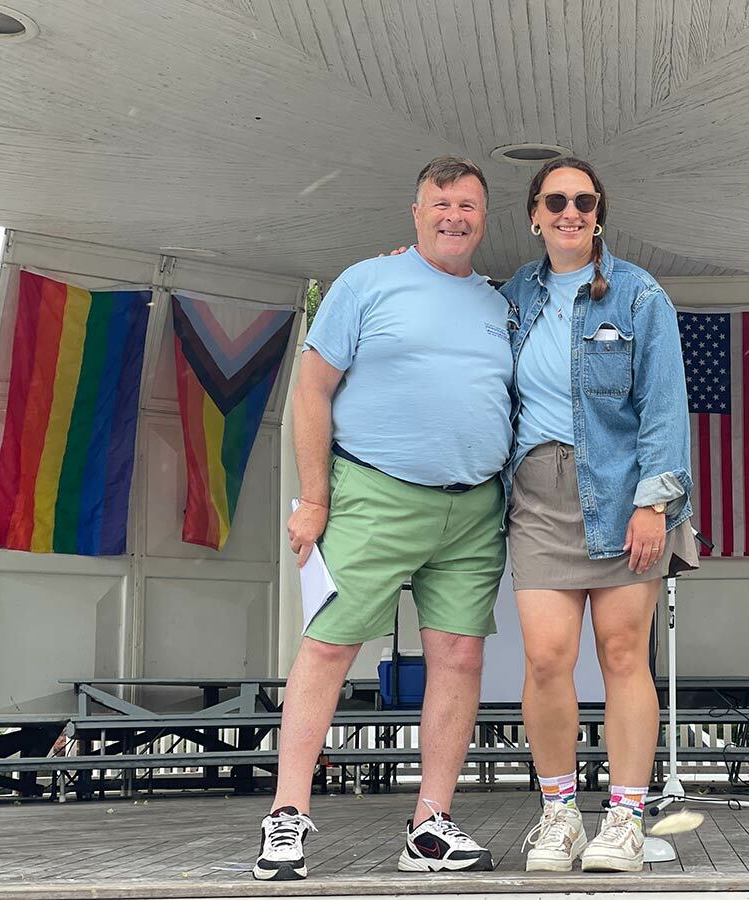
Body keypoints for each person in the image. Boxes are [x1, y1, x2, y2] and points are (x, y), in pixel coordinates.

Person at [252, 156, 512, 881]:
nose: (454, 216)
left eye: (467, 205)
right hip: (373, 492)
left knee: (459, 658)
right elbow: (311, 390)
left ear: (484, 218)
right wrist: (315, 497)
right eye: (441, 203)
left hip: (473, 507)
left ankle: (430, 824)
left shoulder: (499, 305)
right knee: (330, 647)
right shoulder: (366, 281)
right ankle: (286, 818)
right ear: (415, 211)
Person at [502, 157, 699, 873]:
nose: (570, 211)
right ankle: (559, 814)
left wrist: (655, 502)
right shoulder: (515, 295)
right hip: (539, 492)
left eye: (584, 200)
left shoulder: (639, 295)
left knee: (621, 655)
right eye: (556, 199)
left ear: (599, 213)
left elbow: (665, 406)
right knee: (548, 659)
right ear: (534, 213)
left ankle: (623, 816)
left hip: (625, 493)